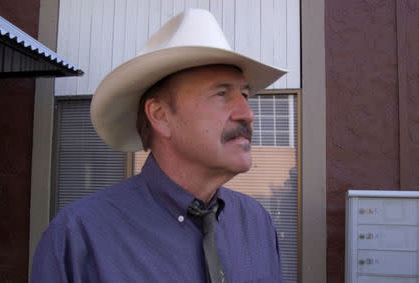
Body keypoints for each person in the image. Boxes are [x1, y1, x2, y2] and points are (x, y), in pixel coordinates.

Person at [31, 8, 286, 283]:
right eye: (222, 93)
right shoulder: (79, 238)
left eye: (245, 94)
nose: (247, 113)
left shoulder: (257, 224)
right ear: (161, 116)